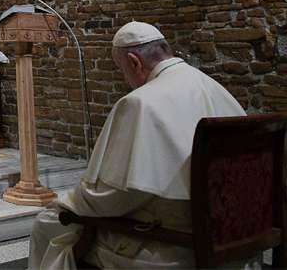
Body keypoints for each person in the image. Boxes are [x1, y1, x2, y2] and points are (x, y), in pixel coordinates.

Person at [28, 21, 247, 269]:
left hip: (175, 245)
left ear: (134, 62)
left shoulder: (140, 103)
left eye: (123, 70)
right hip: (235, 233)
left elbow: (115, 196)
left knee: (47, 223)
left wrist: (68, 202)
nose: (126, 78)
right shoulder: (215, 88)